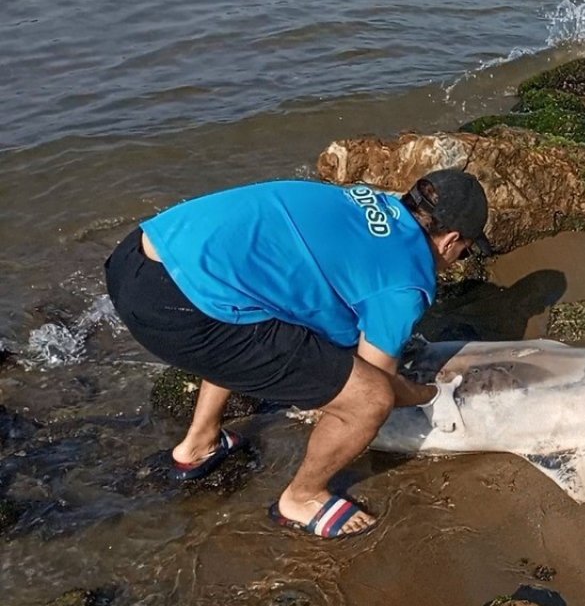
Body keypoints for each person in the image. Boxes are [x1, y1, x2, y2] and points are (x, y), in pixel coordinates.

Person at [104, 169, 491, 537]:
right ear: (450, 240)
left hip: (136, 257)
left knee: (252, 303)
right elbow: (377, 382)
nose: (456, 261)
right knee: (368, 400)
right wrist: (430, 393)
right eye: (465, 251)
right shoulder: (407, 280)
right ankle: (302, 499)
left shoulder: (366, 200)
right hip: (177, 310)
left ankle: (199, 444)